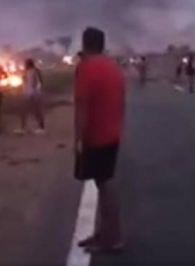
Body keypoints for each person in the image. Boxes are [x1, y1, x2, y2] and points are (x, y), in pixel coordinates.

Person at [75, 27, 126, 253]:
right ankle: (103, 233)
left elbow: (82, 107)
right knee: (102, 184)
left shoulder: (86, 69)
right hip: (112, 133)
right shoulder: (114, 68)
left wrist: (78, 139)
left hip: (96, 136)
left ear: (85, 44)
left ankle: (113, 239)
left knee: (104, 187)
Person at [18, 59, 45, 135]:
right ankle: (23, 127)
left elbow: (36, 82)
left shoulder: (34, 72)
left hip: (33, 93)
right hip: (27, 93)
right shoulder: (28, 72)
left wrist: (35, 91)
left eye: (26, 64)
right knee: (25, 111)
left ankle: (41, 127)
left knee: (35, 111)